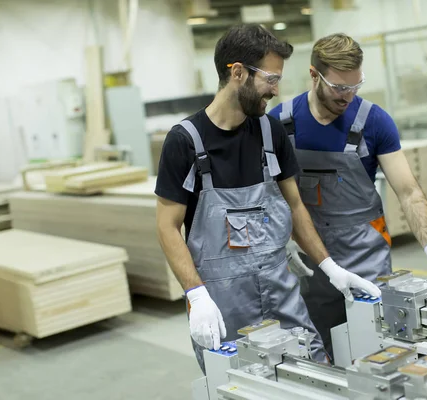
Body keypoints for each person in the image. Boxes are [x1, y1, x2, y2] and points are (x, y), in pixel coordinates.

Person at [154, 25, 381, 373]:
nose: (276, 91)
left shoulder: (270, 132)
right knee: (239, 386)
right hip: (224, 304)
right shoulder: (186, 142)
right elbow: (167, 227)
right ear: (238, 72)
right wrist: (196, 295)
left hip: (283, 295)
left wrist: (331, 267)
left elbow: (295, 207)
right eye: (271, 79)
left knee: (313, 373)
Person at [269, 33, 427, 360]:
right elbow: (270, 192)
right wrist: (284, 241)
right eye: (339, 88)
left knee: (377, 346)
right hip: (310, 257)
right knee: (318, 347)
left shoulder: (374, 122)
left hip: (365, 254)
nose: (348, 96)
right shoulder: (280, 123)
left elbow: (409, 191)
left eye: (355, 86)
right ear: (314, 76)